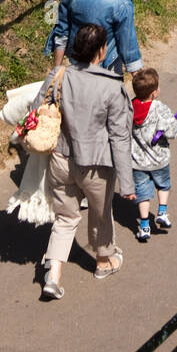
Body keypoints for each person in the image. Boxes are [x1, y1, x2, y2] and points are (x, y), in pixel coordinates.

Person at [35, 22, 136, 300]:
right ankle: (104, 261)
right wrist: (127, 183)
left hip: (61, 157)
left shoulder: (59, 75)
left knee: (66, 217)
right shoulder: (111, 86)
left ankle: (53, 275)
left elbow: (37, 110)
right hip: (96, 164)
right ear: (102, 51)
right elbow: (119, 137)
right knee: (100, 213)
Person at [130, 68, 177, 241]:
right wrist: (174, 123)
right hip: (159, 159)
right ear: (154, 93)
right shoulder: (160, 108)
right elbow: (172, 132)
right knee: (164, 185)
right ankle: (162, 212)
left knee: (142, 193)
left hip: (137, 161)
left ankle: (144, 225)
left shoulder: (130, 107)